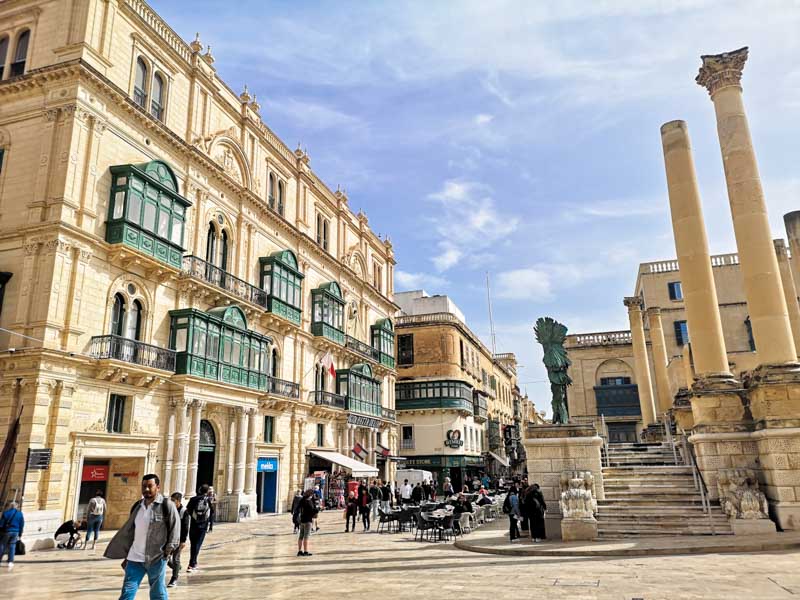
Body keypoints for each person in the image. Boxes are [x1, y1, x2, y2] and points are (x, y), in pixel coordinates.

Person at [104, 474, 179, 600]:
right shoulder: (137, 506)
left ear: (158, 487)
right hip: (134, 558)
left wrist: (167, 552)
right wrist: (127, 554)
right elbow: (131, 532)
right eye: (144, 486)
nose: (147, 489)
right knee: (127, 593)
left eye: (150, 486)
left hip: (156, 557)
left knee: (158, 593)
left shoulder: (167, 505)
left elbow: (175, 529)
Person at [186, 483, 212, 573]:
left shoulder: (193, 499)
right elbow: (211, 513)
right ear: (207, 491)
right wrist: (210, 526)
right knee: (197, 545)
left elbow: (188, 510)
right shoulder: (207, 500)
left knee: (193, 544)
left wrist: (195, 517)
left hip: (194, 524)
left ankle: (194, 562)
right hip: (203, 526)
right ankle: (191, 564)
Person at [167, 492, 190, 588]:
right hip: (168, 538)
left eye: (173, 501)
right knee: (166, 557)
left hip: (178, 539)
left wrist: (183, 541)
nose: (171, 503)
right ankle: (176, 567)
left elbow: (185, 527)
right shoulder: (169, 510)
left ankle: (174, 578)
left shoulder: (184, 511)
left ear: (178, 501)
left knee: (176, 558)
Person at [0, 501, 24, 571]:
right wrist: (20, 533)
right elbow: (21, 525)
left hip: (7, 531)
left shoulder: (5, 513)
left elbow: (1, 524)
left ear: (10, 506)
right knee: (12, 546)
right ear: (16, 506)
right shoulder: (20, 514)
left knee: (2, 545)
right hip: (16, 532)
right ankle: (10, 561)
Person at [297, 489, 318, 556]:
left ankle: (300, 551)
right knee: (306, 537)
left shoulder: (302, 500)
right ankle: (306, 551)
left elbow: (298, 508)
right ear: (310, 495)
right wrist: (318, 509)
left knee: (301, 536)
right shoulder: (309, 501)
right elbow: (312, 511)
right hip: (308, 521)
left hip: (302, 520)